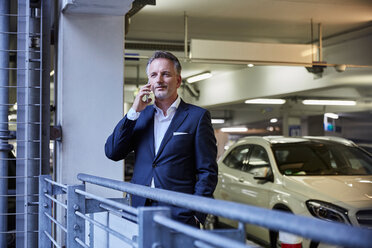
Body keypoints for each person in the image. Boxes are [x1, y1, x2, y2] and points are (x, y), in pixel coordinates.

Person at [105, 51, 218, 227]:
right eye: (153, 75)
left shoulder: (197, 117)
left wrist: (197, 215)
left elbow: (207, 171)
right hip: (138, 211)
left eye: (166, 74)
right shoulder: (140, 116)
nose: (159, 80)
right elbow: (112, 152)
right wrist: (133, 111)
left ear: (178, 80)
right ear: (149, 81)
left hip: (179, 214)